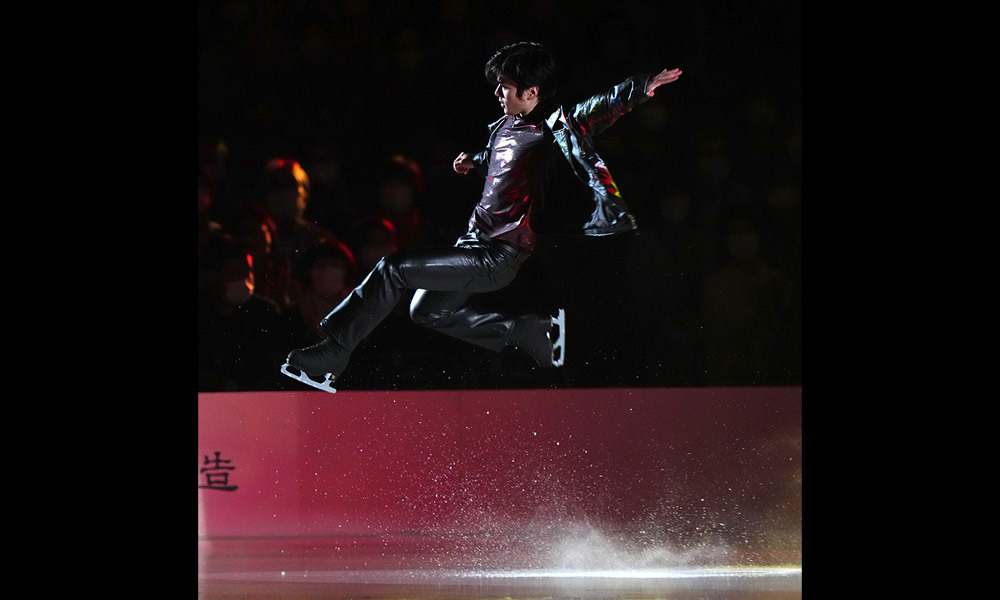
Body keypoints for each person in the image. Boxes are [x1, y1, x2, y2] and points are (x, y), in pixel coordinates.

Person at [281, 41, 682, 393]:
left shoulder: (553, 127)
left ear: (532, 91)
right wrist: (472, 162)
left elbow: (598, 108)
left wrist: (640, 88)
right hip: (473, 244)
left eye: (505, 86)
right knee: (426, 311)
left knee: (392, 267)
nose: (497, 92)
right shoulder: (504, 127)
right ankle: (529, 332)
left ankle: (333, 352)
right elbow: (499, 160)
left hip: (498, 256)